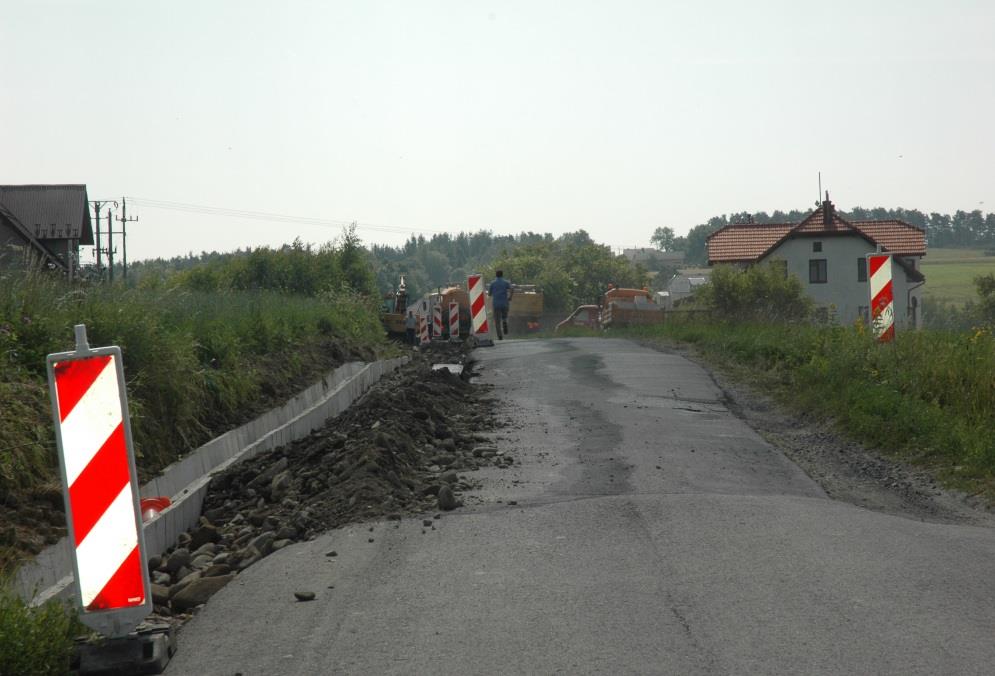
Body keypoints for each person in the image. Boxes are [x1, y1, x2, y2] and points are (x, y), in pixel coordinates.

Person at [488, 270, 513, 340]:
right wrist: (510, 297)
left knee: (497, 321)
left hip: (496, 304)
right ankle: (504, 321)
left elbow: (489, 294)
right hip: (504, 303)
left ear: (496, 275)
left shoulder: (492, 283)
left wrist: (492, 293)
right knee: (504, 317)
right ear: (502, 275)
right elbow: (512, 288)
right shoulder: (506, 282)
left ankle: (500, 336)